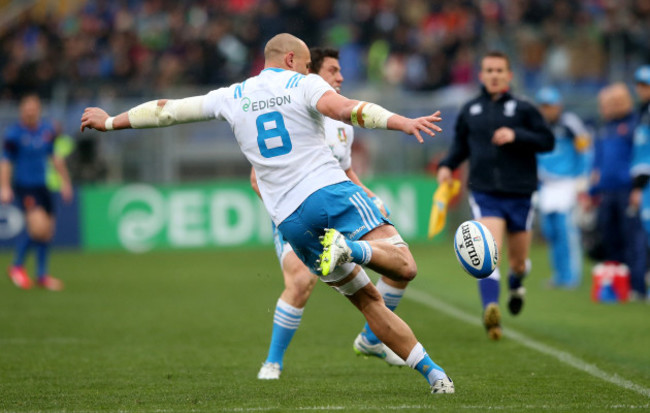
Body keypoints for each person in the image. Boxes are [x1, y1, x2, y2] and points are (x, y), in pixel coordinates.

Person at [80, 33, 454, 394]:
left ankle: (435, 375)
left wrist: (111, 121)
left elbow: (168, 111)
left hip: (291, 221)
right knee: (405, 266)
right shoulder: (302, 85)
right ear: (291, 60)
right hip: (328, 193)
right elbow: (346, 109)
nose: (309, 72)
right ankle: (352, 250)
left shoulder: (231, 96)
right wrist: (400, 121)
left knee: (368, 302)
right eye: (307, 65)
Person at [253, 47, 407, 381]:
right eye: (333, 71)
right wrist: (284, 213)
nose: (340, 78)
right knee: (301, 281)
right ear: (312, 76)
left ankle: (371, 339)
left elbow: (347, 172)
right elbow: (256, 178)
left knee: (397, 264)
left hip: (336, 208)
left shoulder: (341, 125)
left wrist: (370, 196)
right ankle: (273, 361)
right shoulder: (291, 112)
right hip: (294, 215)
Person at [436, 51, 554, 340]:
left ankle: (516, 284)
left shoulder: (524, 108)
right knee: (489, 251)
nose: (494, 75)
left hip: (520, 193)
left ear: (509, 75)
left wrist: (517, 135)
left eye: (500, 70)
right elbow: (460, 147)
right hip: (485, 191)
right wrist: (446, 166)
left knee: (518, 262)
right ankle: (491, 310)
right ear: (481, 75)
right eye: (489, 70)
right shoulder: (470, 110)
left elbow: (547, 141)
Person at [1, 94, 73, 291]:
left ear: (39, 109)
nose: (30, 111)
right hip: (25, 186)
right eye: (27, 108)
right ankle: (16, 265)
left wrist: (66, 183)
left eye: (34, 107)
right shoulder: (14, 134)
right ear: (21, 110)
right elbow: (6, 161)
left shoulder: (46, 130)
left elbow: (55, 157)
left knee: (47, 233)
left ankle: (42, 275)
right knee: (38, 229)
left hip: (44, 186)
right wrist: (4, 187)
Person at [589, 83, 647, 301]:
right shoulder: (604, 127)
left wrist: (637, 187)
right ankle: (615, 284)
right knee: (610, 238)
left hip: (627, 190)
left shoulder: (635, 124)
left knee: (632, 239)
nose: (605, 107)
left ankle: (638, 285)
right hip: (606, 192)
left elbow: (641, 156)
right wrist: (592, 190)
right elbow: (598, 161)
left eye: (610, 103)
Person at [534, 86, 590, 289]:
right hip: (546, 185)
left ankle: (571, 276)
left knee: (566, 230)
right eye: (543, 106)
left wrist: (582, 177)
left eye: (550, 106)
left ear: (558, 106)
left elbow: (584, 148)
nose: (547, 110)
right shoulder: (538, 126)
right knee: (550, 231)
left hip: (566, 183)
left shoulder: (569, 123)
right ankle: (558, 273)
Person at [629, 66, 650, 300]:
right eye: (640, 85)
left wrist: (638, 184)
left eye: (646, 85)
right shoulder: (643, 111)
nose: (641, 90)